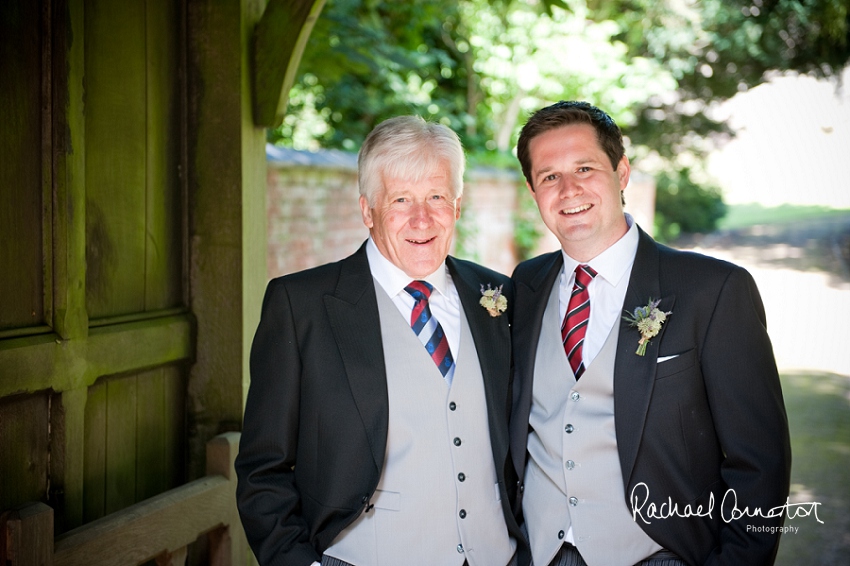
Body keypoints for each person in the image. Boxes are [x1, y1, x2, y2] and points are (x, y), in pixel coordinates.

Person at [509, 101, 791, 566]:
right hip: (540, 550)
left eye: (585, 167)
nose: (569, 189)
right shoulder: (526, 284)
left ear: (621, 172)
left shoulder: (714, 290)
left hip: (661, 552)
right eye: (549, 176)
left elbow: (760, 460)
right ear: (532, 190)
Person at [236, 115, 524, 566]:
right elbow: (262, 469)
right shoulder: (302, 306)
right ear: (367, 210)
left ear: (457, 206)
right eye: (401, 200)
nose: (421, 218)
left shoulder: (499, 296)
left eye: (436, 197)